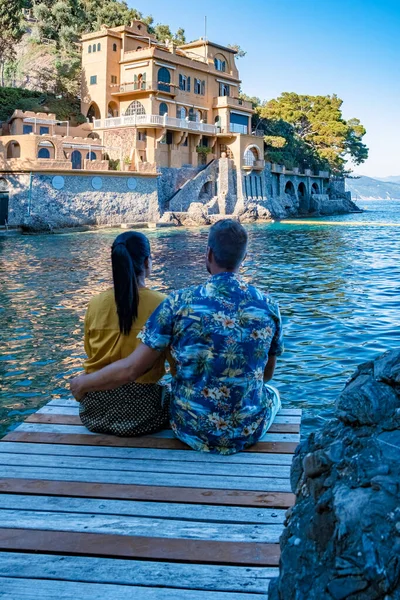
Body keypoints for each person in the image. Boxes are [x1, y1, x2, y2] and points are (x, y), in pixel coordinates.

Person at [71, 219, 283, 454]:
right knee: (272, 393)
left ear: (209, 253)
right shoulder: (269, 306)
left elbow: (133, 368)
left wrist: (82, 383)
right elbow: (266, 375)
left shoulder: (177, 303)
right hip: (246, 431)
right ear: (244, 258)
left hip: (190, 429)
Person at [78, 230, 172, 436]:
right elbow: (175, 364)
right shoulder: (163, 304)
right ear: (147, 262)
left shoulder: (95, 304)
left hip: (95, 410)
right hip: (144, 414)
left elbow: (90, 352)